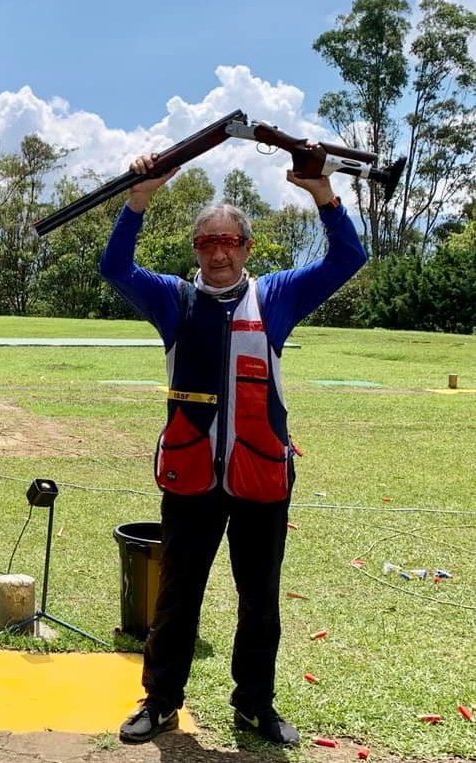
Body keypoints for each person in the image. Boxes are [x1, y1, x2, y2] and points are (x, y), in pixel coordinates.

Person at [101, 153, 366, 747]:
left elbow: (348, 258)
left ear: (247, 247)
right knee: (176, 599)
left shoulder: (277, 297)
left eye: (229, 242)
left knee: (260, 603)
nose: (217, 254)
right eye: (206, 243)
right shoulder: (172, 299)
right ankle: (161, 701)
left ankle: (254, 706)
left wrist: (322, 192)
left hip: (260, 476)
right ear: (195, 249)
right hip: (191, 476)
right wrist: (140, 196)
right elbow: (115, 266)